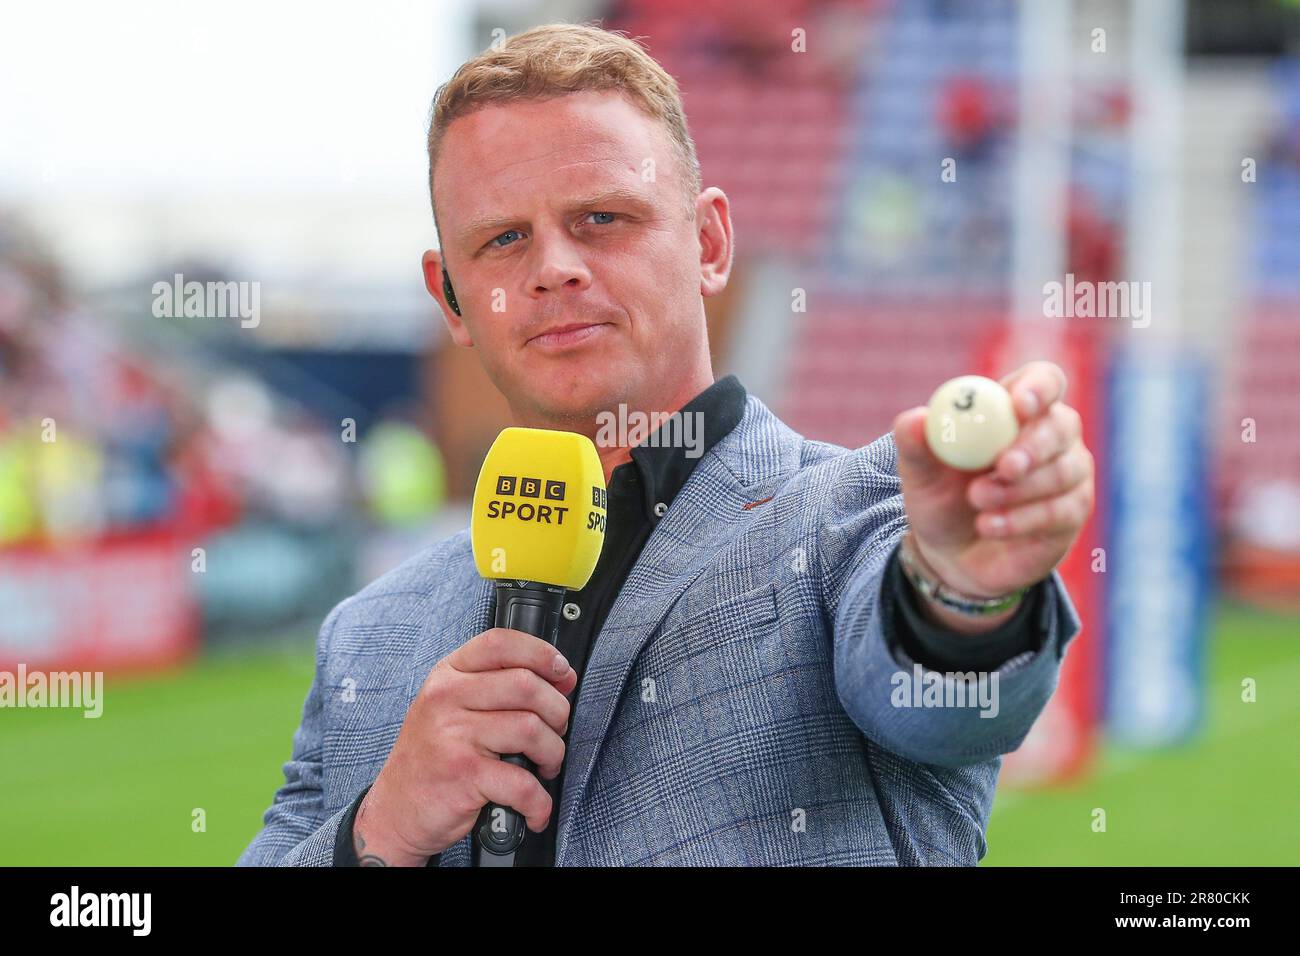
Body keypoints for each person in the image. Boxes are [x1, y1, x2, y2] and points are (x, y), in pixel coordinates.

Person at [238, 23, 1093, 867]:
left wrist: (964, 600)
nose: (555, 267)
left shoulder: (857, 518)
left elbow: (940, 700)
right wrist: (377, 835)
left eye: (602, 218)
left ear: (709, 243)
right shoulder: (367, 637)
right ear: (453, 299)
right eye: (503, 239)